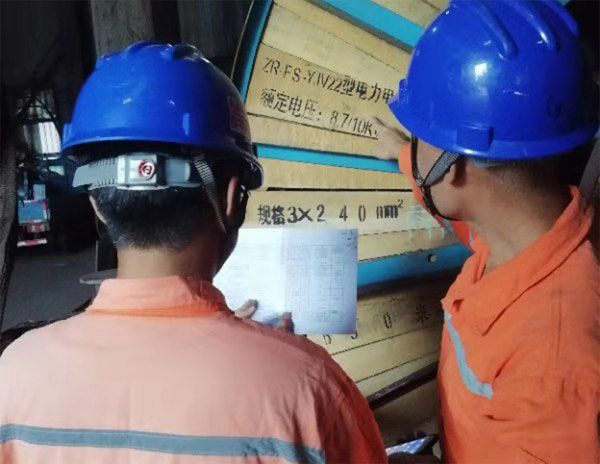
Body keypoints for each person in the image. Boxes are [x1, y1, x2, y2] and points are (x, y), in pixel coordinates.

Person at [0, 41, 386, 463]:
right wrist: (275, 361)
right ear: (232, 200)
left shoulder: (14, 374)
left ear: (97, 204)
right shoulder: (309, 389)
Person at [376, 0, 599, 462]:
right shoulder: (521, 235)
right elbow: (463, 209)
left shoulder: (554, 370)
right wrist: (403, 156)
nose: (414, 145)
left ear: (457, 167)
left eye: (419, 136)